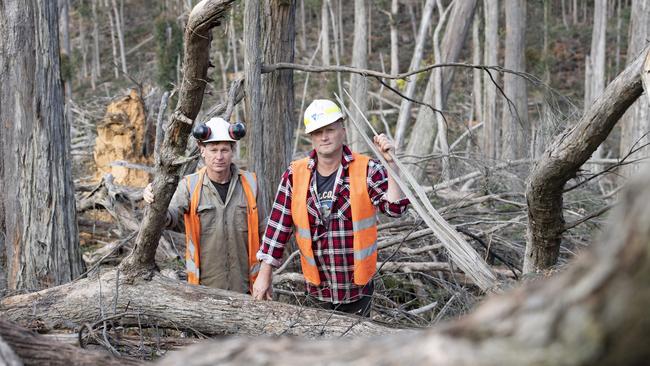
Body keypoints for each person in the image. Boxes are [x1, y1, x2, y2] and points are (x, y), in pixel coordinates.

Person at [252, 99, 409, 316]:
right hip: (317, 290)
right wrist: (264, 272)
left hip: (357, 289)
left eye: (330, 130)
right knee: (320, 349)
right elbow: (278, 226)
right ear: (311, 137)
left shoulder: (367, 169)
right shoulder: (295, 174)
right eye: (318, 132)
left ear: (342, 131)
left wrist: (391, 165)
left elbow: (395, 209)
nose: (324, 137)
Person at [143, 117, 264, 294]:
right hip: (204, 290)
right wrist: (155, 200)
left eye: (224, 150)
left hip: (247, 287)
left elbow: (265, 232)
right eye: (213, 150)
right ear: (202, 150)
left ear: (233, 150)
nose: (219, 156)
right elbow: (170, 216)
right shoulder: (189, 186)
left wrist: (265, 275)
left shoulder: (250, 183)